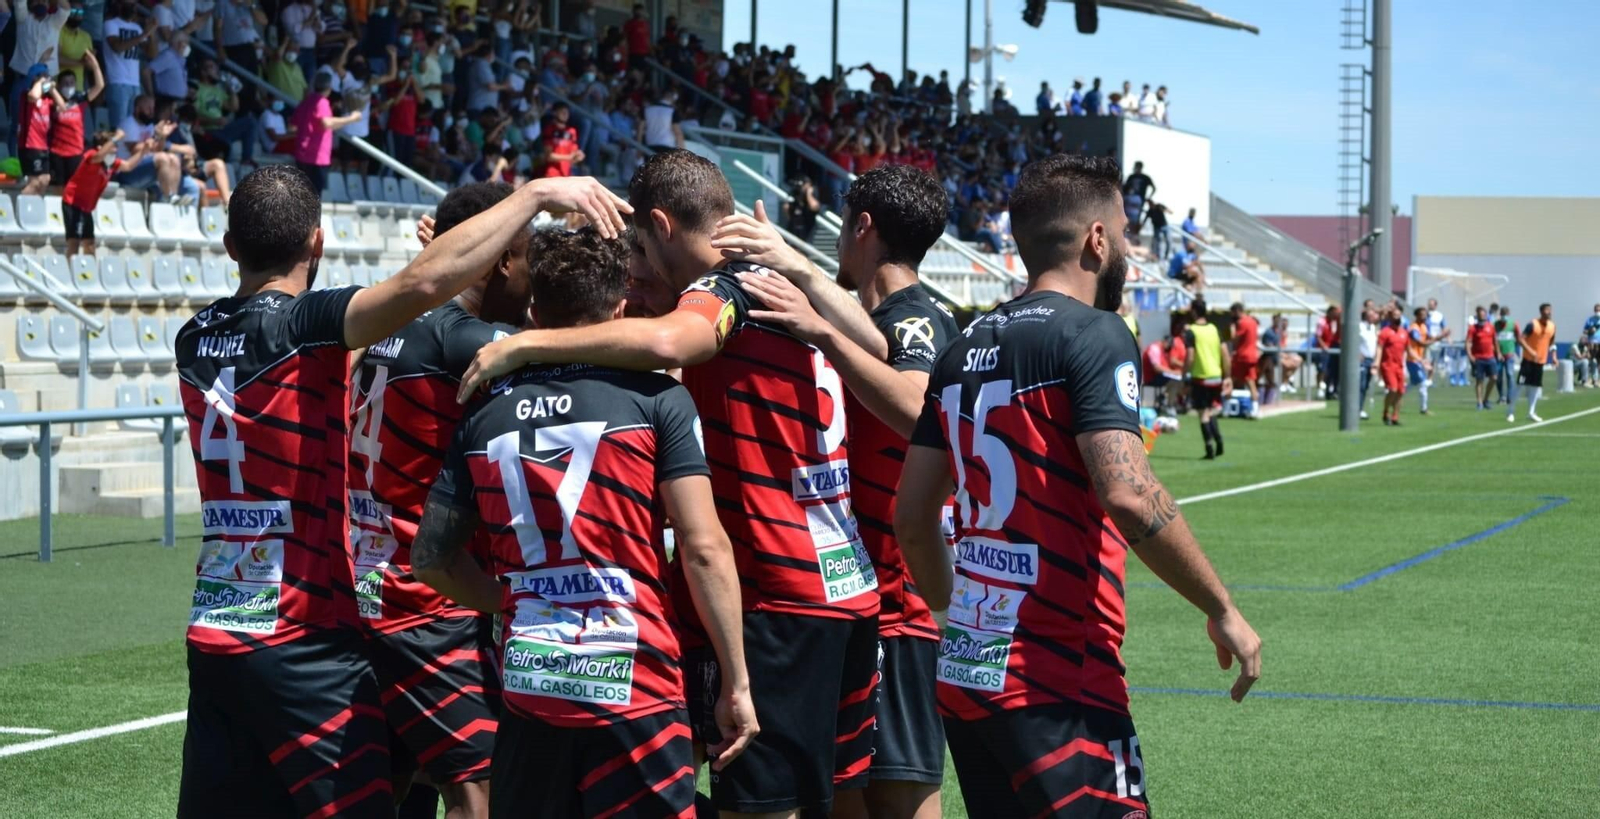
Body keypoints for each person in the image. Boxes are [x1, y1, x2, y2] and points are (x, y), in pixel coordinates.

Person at [172, 166, 632, 818]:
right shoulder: (310, 324)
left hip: (216, 629)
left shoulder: (192, 336)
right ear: (318, 243)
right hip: (304, 637)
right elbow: (420, 287)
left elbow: (412, 295)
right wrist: (533, 194)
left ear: (228, 246)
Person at [454, 150, 890, 818]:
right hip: (841, 581)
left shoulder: (723, 285)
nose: (636, 281)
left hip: (777, 590)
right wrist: (803, 264)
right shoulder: (780, 275)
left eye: (638, 260)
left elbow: (668, 345)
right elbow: (876, 341)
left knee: (760, 804)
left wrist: (527, 346)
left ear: (659, 226)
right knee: (836, 794)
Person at [893, 153, 1261, 819]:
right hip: (1056, 674)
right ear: (1096, 239)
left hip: (971, 669)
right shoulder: (1093, 334)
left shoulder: (961, 345)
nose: (1127, 248)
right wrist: (1221, 604)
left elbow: (914, 517)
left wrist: (958, 615)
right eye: (1122, 233)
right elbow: (1127, 490)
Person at [412, 225, 758, 818]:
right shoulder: (657, 400)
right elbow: (702, 549)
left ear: (533, 309)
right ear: (621, 306)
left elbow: (431, 558)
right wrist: (737, 682)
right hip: (637, 689)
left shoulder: (484, 410)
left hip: (530, 689)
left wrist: (506, 599)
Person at [731, 165, 957, 819]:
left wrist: (822, 329)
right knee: (842, 796)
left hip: (900, 609)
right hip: (853, 604)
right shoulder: (880, 319)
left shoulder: (917, 319)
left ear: (861, 227)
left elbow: (920, 411)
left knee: (902, 795)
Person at [344, 182, 550, 819]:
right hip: (426, 604)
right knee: (477, 788)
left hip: (364, 583)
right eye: (529, 261)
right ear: (501, 261)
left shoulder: (386, 324)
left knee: (391, 780)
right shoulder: (466, 340)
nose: (535, 281)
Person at [62, 129, 147, 261]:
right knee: (74, 243)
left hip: (86, 207)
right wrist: (116, 137)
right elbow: (99, 156)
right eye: (112, 146)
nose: (115, 149)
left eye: (116, 147)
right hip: (73, 202)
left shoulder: (111, 164)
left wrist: (143, 151)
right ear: (101, 147)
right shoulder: (92, 155)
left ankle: (89, 276)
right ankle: (69, 274)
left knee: (89, 245)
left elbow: (129, 165)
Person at [292, 71, 362, 191]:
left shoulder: (306, 102)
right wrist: (351, 118)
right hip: (316, 157)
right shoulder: (322, 102)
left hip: (302, 154)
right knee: (314, 196)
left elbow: (293, 125)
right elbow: (326, 123)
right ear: (329, 88)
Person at [47, 50, 103, 188]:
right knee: (58, 187)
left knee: (74, 186)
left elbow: (99, 86)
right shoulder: (52, 100)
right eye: (65, 83)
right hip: (56, 152)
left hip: (76, 152)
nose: (69, 86)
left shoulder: (80, 99)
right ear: (59, 85)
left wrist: (95, 66)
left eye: (72, 83)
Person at [1186, 298, 1232, 458]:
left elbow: (1190, 357)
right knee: (1211, 411)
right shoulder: (1214, 329)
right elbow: (1225, 354)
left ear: (1193, 311)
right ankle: (1219, 441)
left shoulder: (1191, 331)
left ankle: (1209, 448)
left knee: (1203, 413)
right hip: (1216, 376)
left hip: (1201, 376)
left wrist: (1185, 373)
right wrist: (1228, 376)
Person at [19, 70, 61, 194]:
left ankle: (31, 206)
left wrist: (52, 89)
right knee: (36, 181)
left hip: (43, 146)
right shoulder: (27, 94)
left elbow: (63, 107)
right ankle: (20, 206)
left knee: (45, 180)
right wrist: (40, 81)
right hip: (30, 144)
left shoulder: (48, 101)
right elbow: (33, 96)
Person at [1515, 303, 1555, 423]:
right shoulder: (1532, 324)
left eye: (1550, 310)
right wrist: (1531, 351)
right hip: (1528, 360)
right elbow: (1520, 339)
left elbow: (1551, 342)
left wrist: (1554, 356)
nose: (1549, 312)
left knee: (1535, 386)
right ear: (1541, 312)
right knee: (1520, 385)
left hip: (1540, 361)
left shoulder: (1552, 326)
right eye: (1547, 310)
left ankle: (1531, 412)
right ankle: (1511, 410)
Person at [1376, 307, 1409, 425]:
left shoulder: (1404, 333)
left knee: (1400, 391)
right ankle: (1385, 412)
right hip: (1388, 365)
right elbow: (1379, 348)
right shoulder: (1385, 332)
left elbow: (1408, 349)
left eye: (1399, 315)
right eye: (1395, 315)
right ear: (1390, 317)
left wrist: (1421, 360)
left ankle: (1395, 416)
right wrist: (1376, 363)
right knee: (1393, 389)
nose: (1397, 318)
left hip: (1400, 366)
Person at [1407, 307, 1441, 416]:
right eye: (1422, 315)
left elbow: (1429, 337)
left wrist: (1439, 337)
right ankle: (1424, 409)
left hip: (1419, 359)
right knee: (1423, 384)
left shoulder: (1423, 326)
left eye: (1425, 315)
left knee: (1413, 384)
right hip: (1412, 360)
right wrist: (1438, 337)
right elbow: (1421, 343)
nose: (1425, 317)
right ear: (1417, 316)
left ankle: (1395, 396)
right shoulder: (1414, 328)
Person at [1230, 302, 1261, 415]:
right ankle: (1255, 409)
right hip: (1252, 355)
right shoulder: (1253, 321)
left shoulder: (1242, 323)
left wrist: (1232, 328)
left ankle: (1225, 407)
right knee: (1251, 381)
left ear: (1237, 311)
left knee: (1231, 380)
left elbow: (1235, 339)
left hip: (1242, 356)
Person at [1466, 306, 1499, 410]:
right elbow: (1468, 342)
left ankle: (1486, 399)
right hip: (1478, 358)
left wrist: (1498, 353)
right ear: (1477, 316)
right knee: (1479, 380)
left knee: (1494, 378)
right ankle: (1479, 402)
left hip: (1490, 357)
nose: (1482, 316)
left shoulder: (1491, 327)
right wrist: (1470, 355)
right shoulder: (1472, 328)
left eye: (1483, 314)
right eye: (1480, 314)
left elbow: (1495, 341)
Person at [1121, 160, 1154, 242]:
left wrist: (1148, 197)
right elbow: (1125, 187)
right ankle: (1129, 237)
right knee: (1131, 218)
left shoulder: (1139, 177)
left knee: (1132, 218)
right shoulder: (1135, 177)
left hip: (1135, 199)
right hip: (1134, 200)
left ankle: (1131, 237)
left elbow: (1153, 188)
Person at [1495, 305, 1520, 410]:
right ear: (1500, 315)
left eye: (1506, 314)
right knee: (1498, 377)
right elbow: (1494, 339)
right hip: (1498, 355)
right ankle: (1502, 396)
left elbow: (1519, 336)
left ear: (1508, 315)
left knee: (1510, 375)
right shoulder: (1495, 325)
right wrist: (1498, 352)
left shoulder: (1513, 324)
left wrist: (1515, 348)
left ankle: (1510, 397)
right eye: (1502, 314)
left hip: (1509, 354)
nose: (1504, 317)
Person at [1357, 308, 1379, 420]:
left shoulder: (1373, 328)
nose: (1373, 317)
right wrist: (1358, 354)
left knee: (1365, 386)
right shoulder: (1359, 326)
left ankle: (1360, 409)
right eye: (1371, 315)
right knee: (1360, 385)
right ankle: (1356, 410)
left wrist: (1376, 359)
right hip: (1362, 360)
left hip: (1371, 360)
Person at [1316, 305, 1341, 400]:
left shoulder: (1334, 322)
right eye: (1335, 312)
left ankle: (1333, 390)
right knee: (1323, 369)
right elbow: (1318, 336)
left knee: (1334, 370)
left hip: (1332, 348)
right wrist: (1324, 346)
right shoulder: (1321, 321)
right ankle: (1320, 388)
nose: (1336, 315)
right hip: (1323, 349)